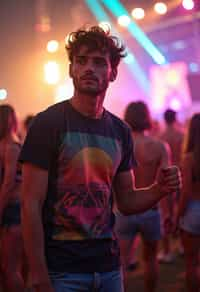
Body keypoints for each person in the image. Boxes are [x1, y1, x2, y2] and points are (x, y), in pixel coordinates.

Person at [20, 26, 181, 292]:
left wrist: (159, 190)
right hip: (62, 271)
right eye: (81, 61)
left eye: (98, 62)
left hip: (108, 267)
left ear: (113, 72)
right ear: (71, 69)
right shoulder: (47, 123)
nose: (88, 68)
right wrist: (38, 273)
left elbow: (126, 200)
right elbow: (30, 204)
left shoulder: (120, 131)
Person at [115, 101, 171, 292]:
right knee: (151, 259)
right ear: (147, 118)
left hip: (123, 210)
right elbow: (166, 185)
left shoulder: (119, 144)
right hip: (151, 209)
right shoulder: (160, 146)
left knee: (120, 262)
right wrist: (168, 213)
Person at [0, 104, 26, 292]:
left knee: (11, 268)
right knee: (5, 268)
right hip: (6, 208)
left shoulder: (12, 146)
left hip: (12, 211)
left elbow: (9, 183)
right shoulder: (5, 145)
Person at [176, 113, 200, 292]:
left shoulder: (189, 159)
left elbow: (185, 192)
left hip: (193, 211)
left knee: (191, 263)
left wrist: (178, 216)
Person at [158, 108, 184, 263]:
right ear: (175, 118)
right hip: (182, 176)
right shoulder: (182, 135)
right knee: (181, 212)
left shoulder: (160, 136)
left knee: (166, 214)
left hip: (167, 179)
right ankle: (182, 245)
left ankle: (167, 250)